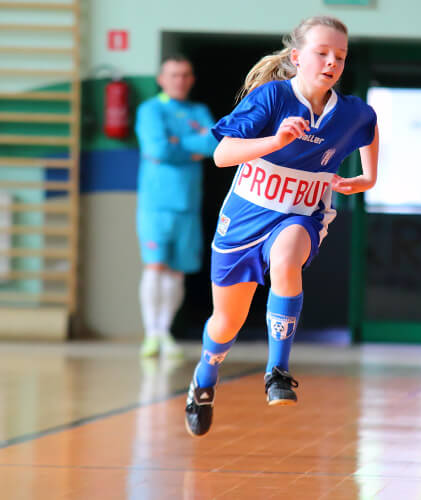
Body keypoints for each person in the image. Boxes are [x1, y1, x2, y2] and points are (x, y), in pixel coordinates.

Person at [184, 15, 379, 437]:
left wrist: (369, 177)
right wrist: (277, 141)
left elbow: (369, 127)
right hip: (245, 217)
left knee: (286, 258)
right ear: (297, 57)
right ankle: (204, 378)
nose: (332, 62)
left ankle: (277, 371)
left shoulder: (350, 113)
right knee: (226, 324)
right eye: (322, 53)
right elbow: (222, 155)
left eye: (340, 56)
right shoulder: (273, 98)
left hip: (300, 215)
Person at [135, 55, 218, 359]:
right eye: (173, 75)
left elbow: (212, 145)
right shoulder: (151, 110)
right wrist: (190, 145)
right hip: (156, 203)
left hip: (188, 204)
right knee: (155, 265)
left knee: (177, 272)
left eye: (185, 75)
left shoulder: (199, 111)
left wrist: (177, 144)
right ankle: (151, 334)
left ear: (191, 79)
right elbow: (155, 148)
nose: (179, 80)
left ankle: (164, 331)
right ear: (161, 78)